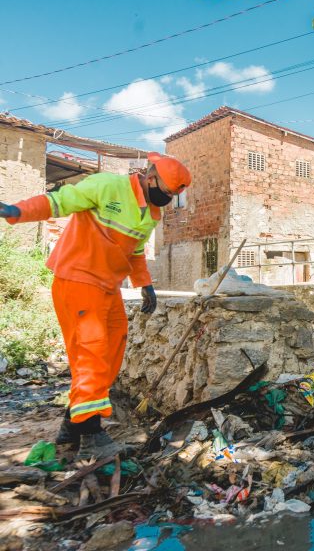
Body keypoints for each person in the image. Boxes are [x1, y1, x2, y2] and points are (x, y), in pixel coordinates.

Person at [0, 153, 191, 461]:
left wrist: (145, 284)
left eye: (172, 195)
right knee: (91, 351)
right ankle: (91, 432)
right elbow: (58, 201)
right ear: (149, 176)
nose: (167, 198)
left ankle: (72, 423)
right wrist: (16, 211)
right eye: (166, 191)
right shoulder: (107, 186)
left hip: (107, 286)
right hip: (77, 279)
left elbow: (135, 251)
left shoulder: (150, 213)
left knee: (114, 346)